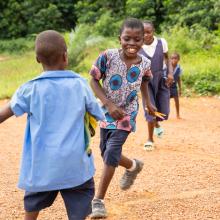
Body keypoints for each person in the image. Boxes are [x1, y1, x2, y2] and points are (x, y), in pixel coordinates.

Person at [0, 30, 105, 220]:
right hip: (76, 166)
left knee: (32, 203)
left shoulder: (30, 89)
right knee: (81, 205)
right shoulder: (80, 85)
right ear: (65, 57)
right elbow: (98, 114)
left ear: (37, 59)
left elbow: (3, 114)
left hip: (42, 167)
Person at [89, 18, 155, 219]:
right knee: (105, 152)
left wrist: (147, 103)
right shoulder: (107, 57)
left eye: (137, 39)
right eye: (127, 39)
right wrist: (108, 104)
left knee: (111, 153)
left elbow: (144, 81)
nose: (132, 43)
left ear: (143, 40)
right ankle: (134, 166)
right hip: (106, 111)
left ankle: (98, 201)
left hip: (127, 114)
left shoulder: (145, 63)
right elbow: (93, 80)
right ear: (120, 39)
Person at [139, 20, 174, 151]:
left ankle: (157, 123)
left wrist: (170, 73)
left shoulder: (161, 42)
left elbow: (167, 58)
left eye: (148, 32)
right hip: (146, 82)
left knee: (164, 112)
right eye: (143, 33)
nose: (146, 35)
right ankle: (150, 139)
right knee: (150, 109)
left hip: (161, 79)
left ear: (153, 31)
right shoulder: (138, 46)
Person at [170, 52, 183, 119]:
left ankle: (178, 114)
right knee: (165, 101)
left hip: (174, 86)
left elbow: (178, 79)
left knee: (176, 100)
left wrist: (180, 89)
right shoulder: (166, 67)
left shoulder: (179, 68)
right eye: (172, 58)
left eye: (175, 58)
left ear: (178, 59)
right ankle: (163, 114)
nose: (174, 60)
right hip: (166, 86)